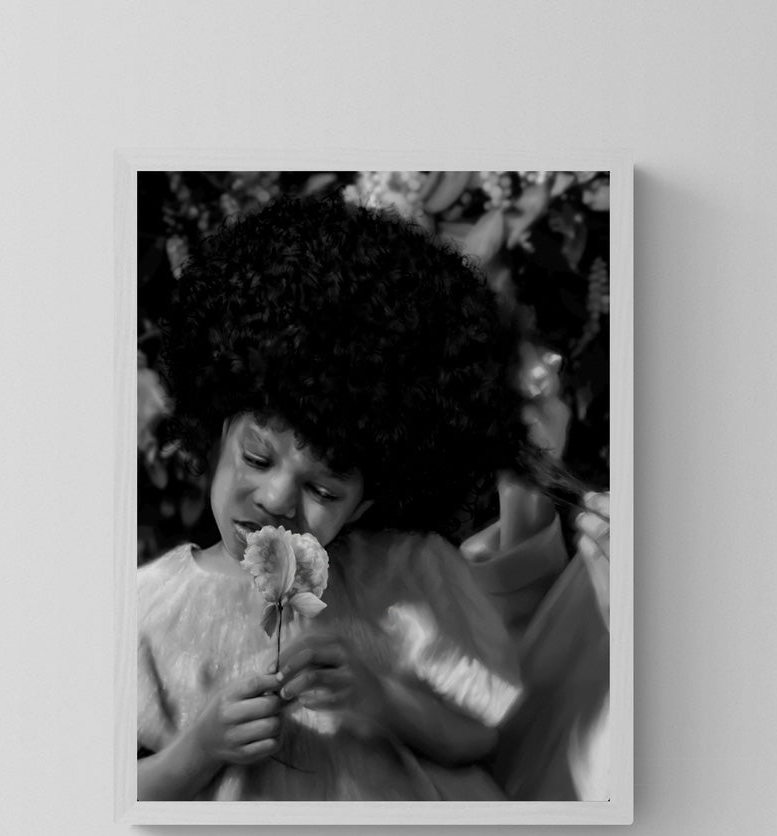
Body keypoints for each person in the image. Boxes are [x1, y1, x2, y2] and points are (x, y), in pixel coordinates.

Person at [136, 194, 606, 801]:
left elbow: (478, 743)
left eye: (324, 489)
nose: (278, 497)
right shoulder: (149, 609)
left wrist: (381, 697)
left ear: (366, 502)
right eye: (257, 458)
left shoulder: (410, 574)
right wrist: (198, 751)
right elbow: (95, 810)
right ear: (215, 424)